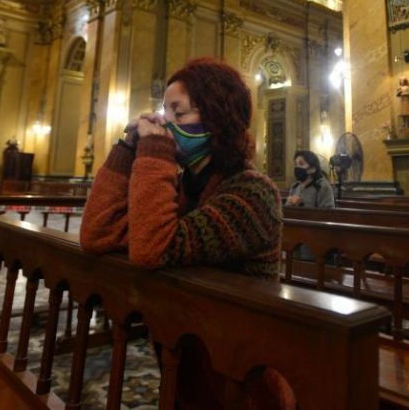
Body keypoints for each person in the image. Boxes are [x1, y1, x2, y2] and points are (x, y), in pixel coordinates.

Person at [80, 57, 290, 408]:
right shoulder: (182, 189)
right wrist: (125, 148)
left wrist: (155, 150)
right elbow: (97, 233)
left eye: (179, 113)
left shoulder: (253, 194)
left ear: (218, 118)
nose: (166, 124)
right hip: (186, 355)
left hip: (240, 378)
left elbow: (150, 248)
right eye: (166, 113)